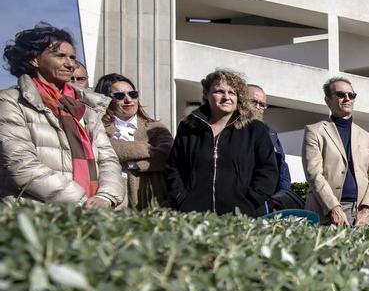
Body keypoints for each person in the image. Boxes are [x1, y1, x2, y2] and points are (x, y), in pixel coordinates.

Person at [0, 23, 124, 207]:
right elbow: (21, 164)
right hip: (38, 213)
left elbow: (108, 159)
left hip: (93, 214)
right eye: (60, 56)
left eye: (72, 57)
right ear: (34, 60)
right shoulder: (11, 101)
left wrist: (105, 198)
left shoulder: (87, 107)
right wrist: (81, 202)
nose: (70, 64)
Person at [164, 68, 278, 215]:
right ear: (206, 94)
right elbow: (173, 167)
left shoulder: (255, 129)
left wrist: (250, 202)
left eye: (232, 93)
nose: (226, 97)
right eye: (219, 91)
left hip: (243, 216)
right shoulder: (188, 127)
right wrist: (181, 199)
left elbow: (268, 171)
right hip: (194, 215)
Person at [302, 77, 369, 226]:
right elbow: (314, 174)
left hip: (360, 214)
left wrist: (367, 209)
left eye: (352, 95)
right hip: (324, 211)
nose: (347, 99)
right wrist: (333, 207)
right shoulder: (314, 131)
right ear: (328, 100)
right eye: (341, 95)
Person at [95, 73, 173, 209]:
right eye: (119, 96)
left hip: (151, 197)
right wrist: (147, 148)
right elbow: (106, 148)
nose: (128, 99)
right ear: (106, 99)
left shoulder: (156, 127)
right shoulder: (97, 127)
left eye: (133, 94)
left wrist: (131, 164)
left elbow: (167, 155)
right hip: (112, 197)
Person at [247, 84, 292, 195]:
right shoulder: (230, 130)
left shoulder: (271, 133)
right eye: (253, 102)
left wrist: (283, 194)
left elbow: (282, 166)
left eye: (262, 104)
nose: (258, 107)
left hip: (269, 200)